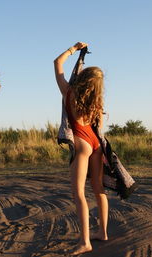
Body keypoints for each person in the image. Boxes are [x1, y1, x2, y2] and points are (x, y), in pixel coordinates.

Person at [54, 42, 109, 255]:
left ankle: (85, 241)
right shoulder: (96, 102)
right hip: (95, 143)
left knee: (78, 193)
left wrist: (73, 49)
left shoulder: (68, 92)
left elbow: (57, 63)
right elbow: (99, 128)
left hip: (82, 143)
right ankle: (102, 232)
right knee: (98, 190)